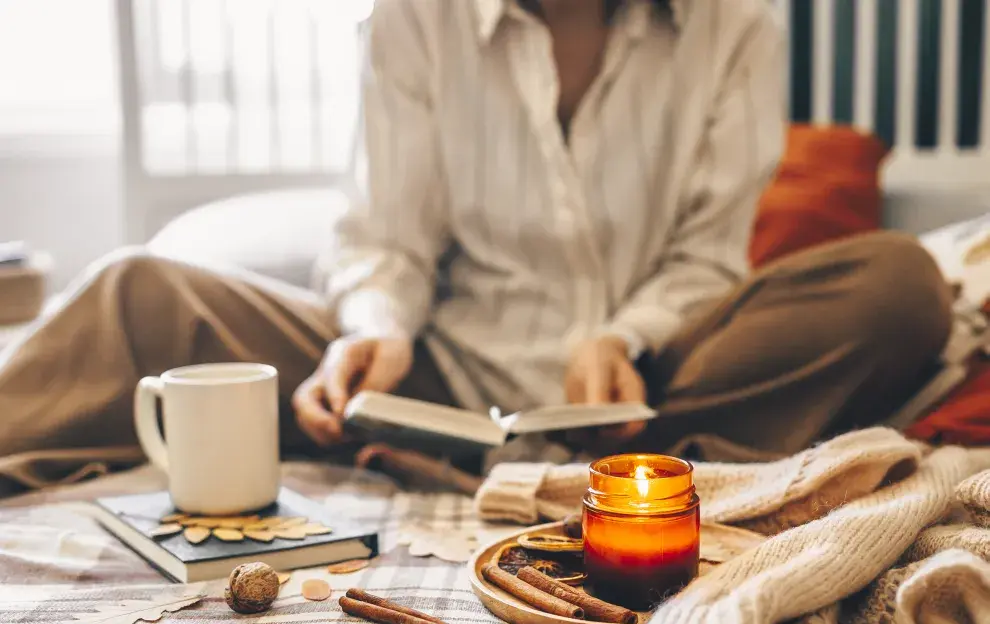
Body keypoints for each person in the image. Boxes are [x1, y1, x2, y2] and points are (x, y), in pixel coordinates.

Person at [0, 0, 952, 493]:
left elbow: (706, 260)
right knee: (138, 292)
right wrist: (376, 330)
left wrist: (623, 338)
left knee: (900, 283)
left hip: (655, 389)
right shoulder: (418, 17)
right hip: (432, 390)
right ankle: (544, 470)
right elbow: (387, 239)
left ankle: (613, 471)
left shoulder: (734, 26)